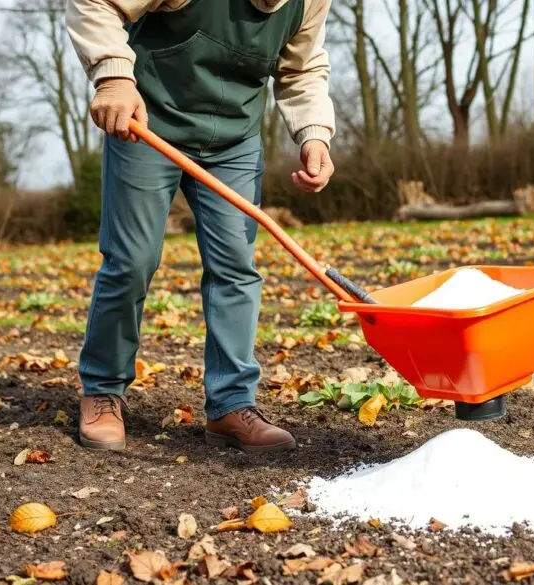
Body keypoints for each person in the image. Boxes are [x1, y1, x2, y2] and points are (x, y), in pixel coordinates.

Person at [65, 0, 335, 452]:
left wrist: (313, 133)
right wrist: (112, 75)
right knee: (131, 260)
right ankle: (103, 391)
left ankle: (231, 403)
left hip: (234, 139)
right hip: (149, 124)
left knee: (236, 267)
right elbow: (97, 4)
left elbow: (302, 68)